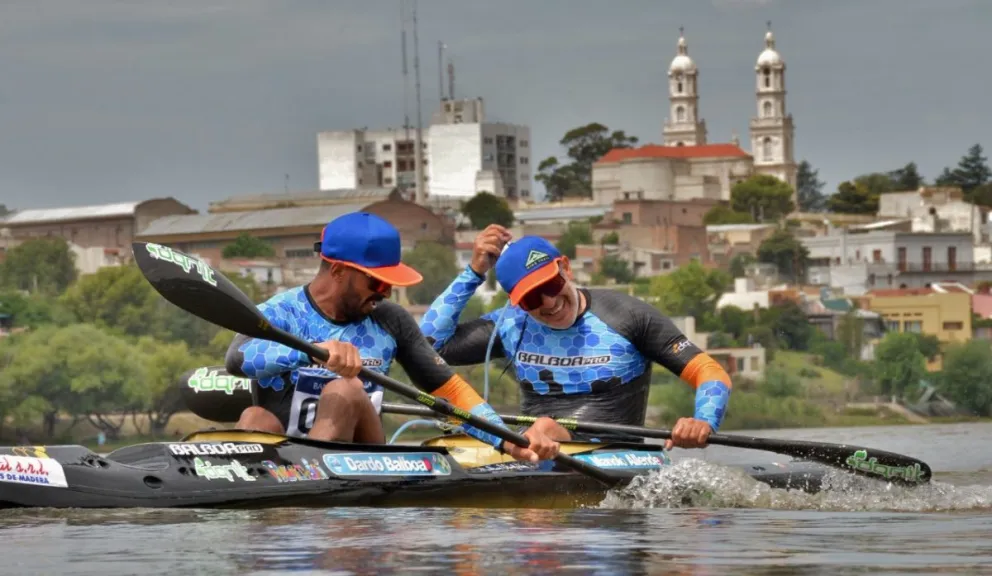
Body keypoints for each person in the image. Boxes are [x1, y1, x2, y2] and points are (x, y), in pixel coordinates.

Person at [225, 213, 560, 463]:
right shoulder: (282, 312)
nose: (385, 292)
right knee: (255, 419)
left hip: (364, 453)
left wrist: (507, 441)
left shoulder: (391, 320)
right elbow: (238, 359)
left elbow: (450, 390)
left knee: (344, 388)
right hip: (285, 459)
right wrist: (311, 352)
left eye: (389, 283)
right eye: (376, 282)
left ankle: (307, 486)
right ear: (339, 271)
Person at [419, 225, 733, 450]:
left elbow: (709, 371)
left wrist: (703, 420)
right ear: (515, 301)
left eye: (551, 286)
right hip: (530, 450)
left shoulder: (628, 316)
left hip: (615, 458)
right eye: (531, 300)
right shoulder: (510, 325)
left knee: (544, 427)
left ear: (565, 268)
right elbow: (430, 346)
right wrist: (472, 273)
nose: (549, 304)